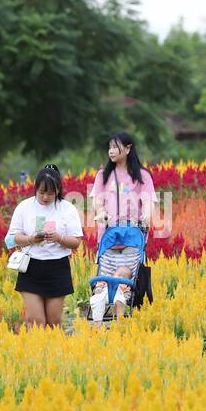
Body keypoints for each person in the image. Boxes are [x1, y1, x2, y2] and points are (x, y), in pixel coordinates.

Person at [87, 132, 156, 321]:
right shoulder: (103, 175)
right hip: (109, 236)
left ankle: (119, 308)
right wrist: (101, 213)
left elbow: (149, 202)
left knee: (125, 272)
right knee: (104, 275)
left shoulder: (142, 176)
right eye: (109, 147)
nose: (111, 151)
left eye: (116, 147)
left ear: (128, 148)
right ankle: (100, 309)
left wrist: (146, 217)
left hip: (132, 236)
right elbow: (97, 203)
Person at [7, 165, 83, 328]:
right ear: (35, 188)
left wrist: (59, 238)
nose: (46, 197)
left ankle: (52, 353)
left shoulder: (67, 208)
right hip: (30, 267)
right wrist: (31, 239)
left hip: (57, 268)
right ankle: (33, 352)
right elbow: (12, 239)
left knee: (53, 322)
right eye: (41, 192)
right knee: (35, 321)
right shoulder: (24, 207)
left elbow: (76, 241)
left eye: (50, 193)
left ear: (58, 190)